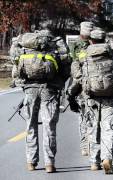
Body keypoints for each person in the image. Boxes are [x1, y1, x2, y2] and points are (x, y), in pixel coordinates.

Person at [11, 29, 70, 173]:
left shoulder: (25, 47)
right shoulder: (54, 46)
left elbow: (15, 63)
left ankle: (31, 162)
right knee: (49, 126)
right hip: (49, 90)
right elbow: (66, 66)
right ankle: (49, 163)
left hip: (30, 90)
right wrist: (60, 82)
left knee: (30, 125)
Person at [68, 29, 113, 174]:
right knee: (109, 128)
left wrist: (73, 91)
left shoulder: (83, 54)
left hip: (90, 97)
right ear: (104, 39)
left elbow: (76, 74)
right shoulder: (112, 54)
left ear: (91, 40)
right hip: (110, 96)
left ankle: (94, 162)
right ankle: (107, 158)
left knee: (93, 128)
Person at [68, 21, 94, 156]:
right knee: (94, 117)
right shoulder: (97, 44)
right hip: (94, 85)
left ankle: (85, 145)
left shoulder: (73, 46)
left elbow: (71, 66)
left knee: (83, 117)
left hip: (79, 85)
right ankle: (93, 144)